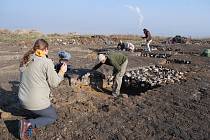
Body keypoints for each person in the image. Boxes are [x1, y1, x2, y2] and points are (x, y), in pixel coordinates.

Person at [18, 39, 67, 139]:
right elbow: (54, 83)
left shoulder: (27, 59)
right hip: (34, 103)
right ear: (45, 49)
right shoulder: (46, 62)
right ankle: (28, 123)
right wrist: (62, 72)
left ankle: (34, 115)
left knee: (40, 109)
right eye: (47, 50)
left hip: (22, 100)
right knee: (52, 117)